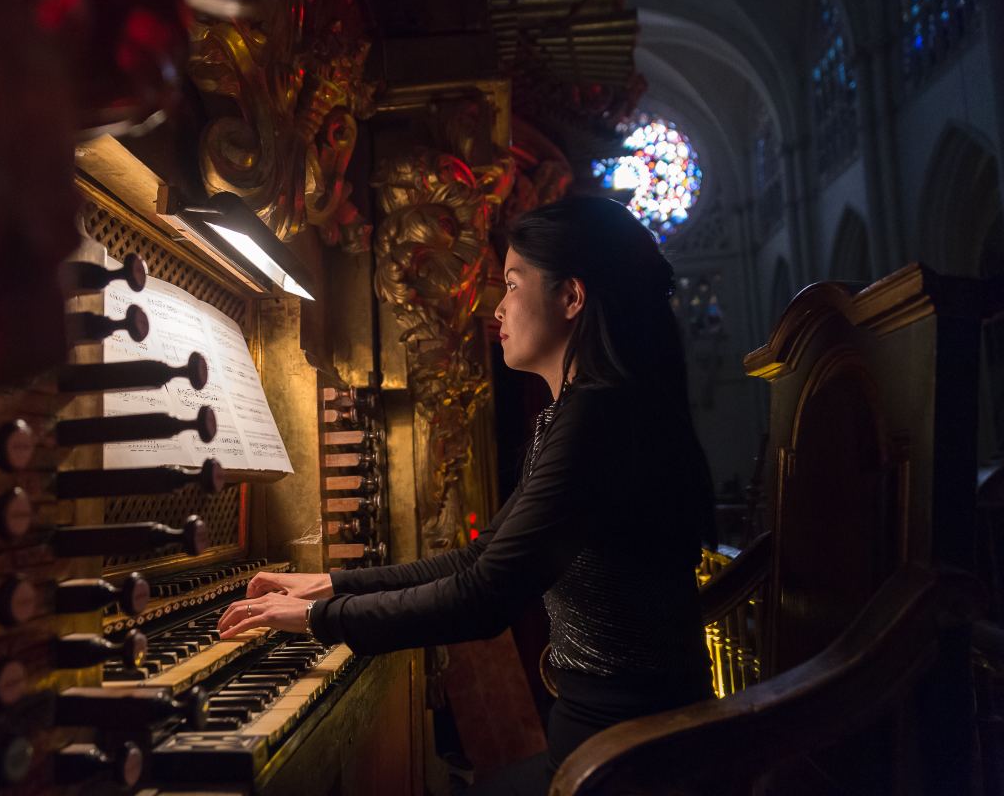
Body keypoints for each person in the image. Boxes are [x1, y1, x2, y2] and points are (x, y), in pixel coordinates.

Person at [218, 196, 717, 794]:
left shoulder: (600, 420)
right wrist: (332, 585)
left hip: (624, 764)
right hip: (604, 745)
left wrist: (317, 618)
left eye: (511, 284)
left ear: (571, 297)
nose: (497, 307)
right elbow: (480, 558)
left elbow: (484, 598)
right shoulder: (578, 415)